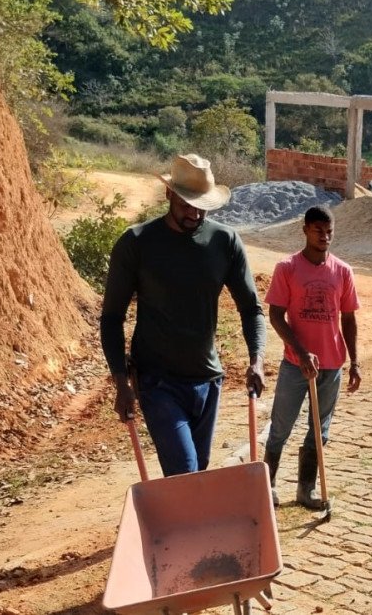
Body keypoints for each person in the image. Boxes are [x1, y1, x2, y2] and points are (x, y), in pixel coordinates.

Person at [100, 154, 267, 477]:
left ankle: (178, 528)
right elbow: (111, 318)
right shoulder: (136, 243)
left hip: (207, 379)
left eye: (202, 205)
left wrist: (257, 359)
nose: (195, 213)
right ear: (169, 195)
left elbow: (251, 308)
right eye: (187, 204)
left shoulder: (224, 242)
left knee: (198, 473)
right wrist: (121, 382)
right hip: (157, 381)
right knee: (185, 472)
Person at [263, 205, 361, 508]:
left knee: (320, 431)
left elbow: (348, 319)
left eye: (329, 231)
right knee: (280, 427)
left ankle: (306, 491)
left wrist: (354, 361)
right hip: (295, 365)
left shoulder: (342, 271)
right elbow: (276, 315)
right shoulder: (288, 268)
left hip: (331, 366)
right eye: (319, 230)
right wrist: (301, 352)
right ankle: (268, 486)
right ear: (305, 230)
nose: (325, 236)